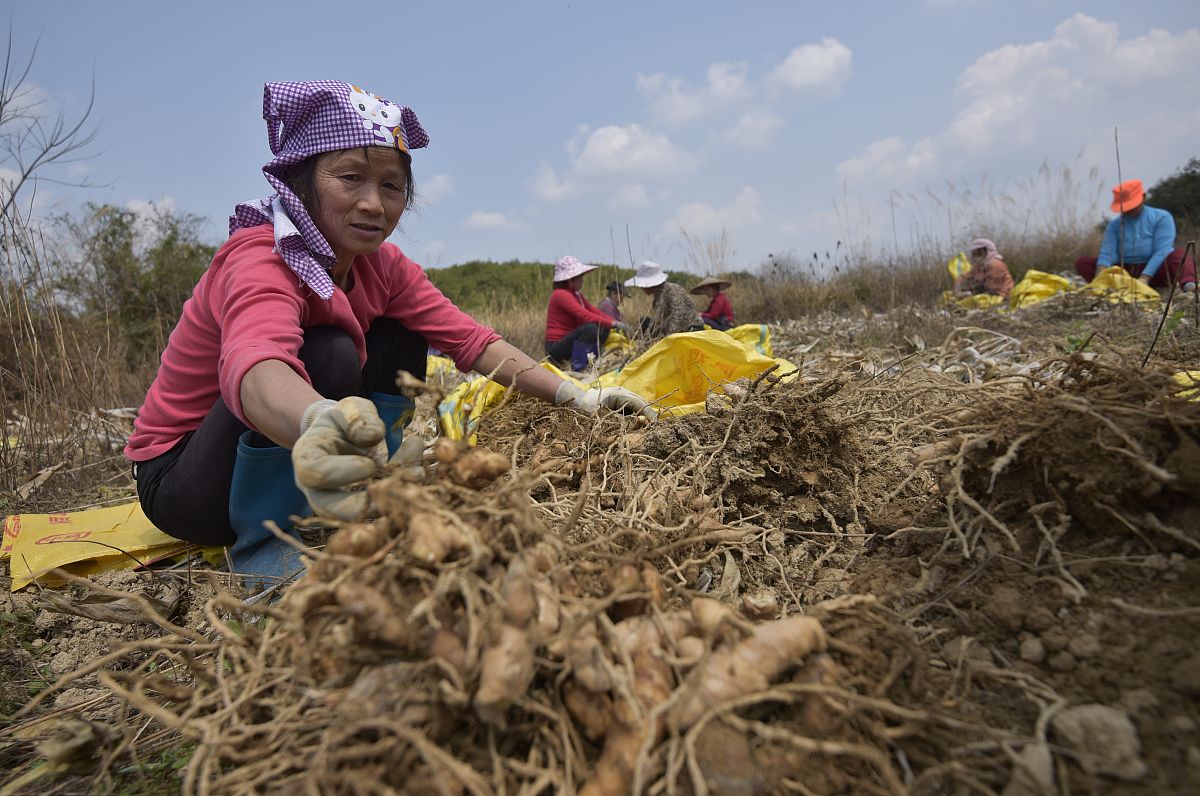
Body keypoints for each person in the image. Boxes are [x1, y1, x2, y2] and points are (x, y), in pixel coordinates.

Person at [124, 80, 651, 584]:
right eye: (349, 178)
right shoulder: (261, 255)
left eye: (391, 185)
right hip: (184, 480)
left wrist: (575, 394)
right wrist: (320, 422)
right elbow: (256, 364)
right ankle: (268, 548)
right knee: (327, 353)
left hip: (304, 451)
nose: (374, 203)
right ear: (302, 182)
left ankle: (366, 480)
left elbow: (471, 341)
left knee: (401, 334)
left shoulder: (384, 266)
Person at [1075, 179, 1197, 292]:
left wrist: (1145, 278)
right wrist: (1099, 279)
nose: (1129, 210)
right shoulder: (1114, 225)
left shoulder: (1161, 217)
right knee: (1083, 262)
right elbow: (1107, 253)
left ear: (1143, 197)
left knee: (1180, 255)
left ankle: (1189, 285)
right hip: (1125, 273)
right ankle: (1109, 287)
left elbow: (1162, 250)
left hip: (1158, 271)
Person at [544, 256, 631, 367]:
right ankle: (578, 366)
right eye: (580, 277)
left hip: (569, 342)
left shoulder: (576, 295)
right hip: (556, 347)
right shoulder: (561, 294)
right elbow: (584, 315)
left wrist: (613, 323)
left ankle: (592, 359)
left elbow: (592, 310)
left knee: (603, 328)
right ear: (570, 280)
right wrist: (614, 323)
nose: (582, 280)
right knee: (590, 329)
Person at [624, 261, 703, 338]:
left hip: (691, 330)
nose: (642, 287)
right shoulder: (658, 296)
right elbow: (661, 321)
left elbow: (678, 318)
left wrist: (667, 339)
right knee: (644, 322)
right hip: (674, 331)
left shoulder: (673, 290)